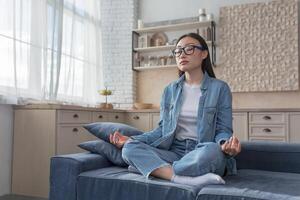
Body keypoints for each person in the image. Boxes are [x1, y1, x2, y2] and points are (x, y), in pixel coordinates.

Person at [109, 32, 241, 188]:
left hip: (202, 149)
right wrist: (132, 140)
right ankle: (181, 178)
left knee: (212, 151)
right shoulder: (170, 90)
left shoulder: (220, 88)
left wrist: (226, 144)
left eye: (189, 49)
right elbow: (162, 131)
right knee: (129, 149)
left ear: (204, 53)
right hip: (174, 151)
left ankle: (155, 169)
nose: (182, 54)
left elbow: (223, 129)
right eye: (178, 51)